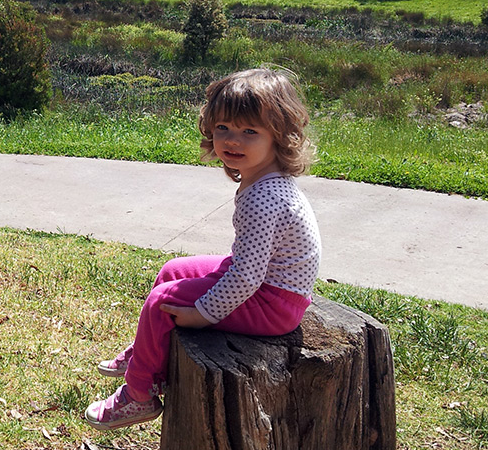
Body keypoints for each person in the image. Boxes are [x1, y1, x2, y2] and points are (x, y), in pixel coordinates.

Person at [84, 67, 321, 430]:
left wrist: (204, 313)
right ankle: (149, 355)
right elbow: (248, 266)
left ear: (279, 135)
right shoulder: (265, 178)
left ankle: (138, 395)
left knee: (161, 302)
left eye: (249, 131)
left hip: (273, 304)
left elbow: (246, 277)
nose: (232, 140)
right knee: (173, 270)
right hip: (268, 285)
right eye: (223, 127)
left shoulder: (263, 198)